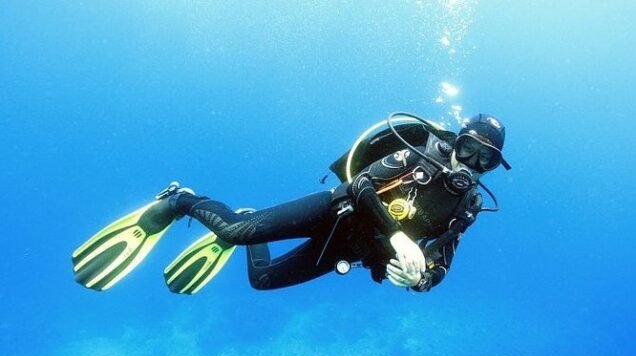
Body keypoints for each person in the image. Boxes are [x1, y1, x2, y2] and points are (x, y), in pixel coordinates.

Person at [72, 112, 510, 294]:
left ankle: (245, 220)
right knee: (231, 233)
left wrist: (417, 279)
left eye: (485, 160)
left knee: (261, 281)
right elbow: (360, 186)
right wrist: (400, 237)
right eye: (469, 148)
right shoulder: (418, 156)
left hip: (349, 249)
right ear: (456, 140)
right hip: (332, 209)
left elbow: (443, 263)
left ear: (493, 166)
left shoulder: (468, 204)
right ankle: (180, 200)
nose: (471, 163)